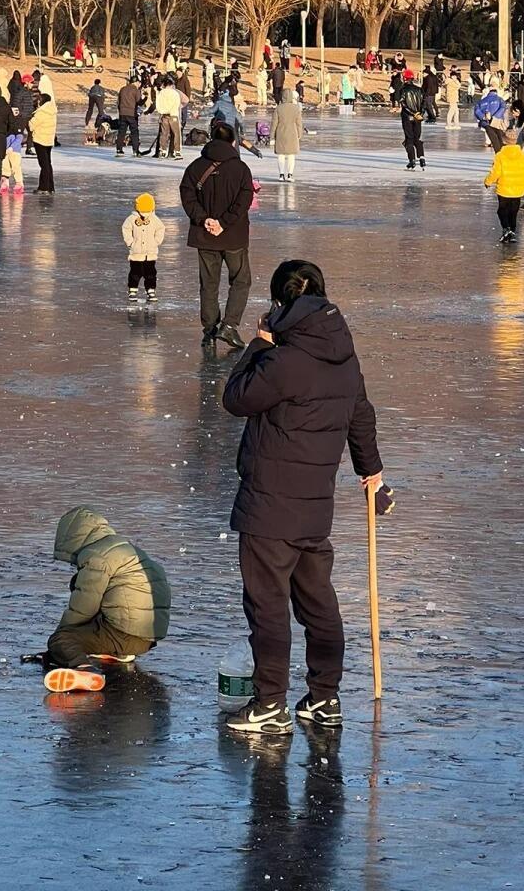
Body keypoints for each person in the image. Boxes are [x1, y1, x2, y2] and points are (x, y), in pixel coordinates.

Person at [222, 258, 391, 735]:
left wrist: (257, 343)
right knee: (317, 601)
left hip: (269, 505)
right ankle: (324, 697)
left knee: (268, 606)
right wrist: (371, 471)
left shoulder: (285, 360)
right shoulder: (344, 353)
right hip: (316, 506)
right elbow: (361, 414)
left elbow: (235, 398)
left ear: (280, 304)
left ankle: (270, 703)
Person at [41, 506, 171, 695]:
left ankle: (85, 670)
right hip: (149, 636)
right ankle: (117, 653)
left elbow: (83, 607)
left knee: (61, 639)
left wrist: (61, 639)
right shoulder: (125, 549)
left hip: (125, 634)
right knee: (87, 595)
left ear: (73, 537)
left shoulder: (97, 556)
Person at [179, 121, 254, 349]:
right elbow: (244, 200)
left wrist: (205, 220)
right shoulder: (241, 169)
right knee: (241, 280)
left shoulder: (195, 167)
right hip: (233, 236)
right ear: (232, 141)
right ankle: (229, 326)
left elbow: (187, 195)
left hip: (205, 236)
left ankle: (210, 330)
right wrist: (224, 223)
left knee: (209, 284)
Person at [484, 129, 524, 244]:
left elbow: (495, 172)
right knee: (513, 212)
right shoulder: (522, 155)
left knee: (502, 211)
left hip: (504, 188)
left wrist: (488, 181)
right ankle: (512, 232)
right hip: (518, 188)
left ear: (504, 140)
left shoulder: (500, 155)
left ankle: (506, 229)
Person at [122, 192, 165, 305]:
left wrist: (156, 242)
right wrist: (130, 243)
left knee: (151, 273)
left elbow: (161, 229)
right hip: (136, 253)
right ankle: (132, 290)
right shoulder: (131, 219)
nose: (144, 214)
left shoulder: (154, 219)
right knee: (135, 273)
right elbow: (126, 229)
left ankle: (151, 290)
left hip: (150, 253)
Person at [271, 88, 303, 182]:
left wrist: (272, 136)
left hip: (280, 133)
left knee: (280, 155)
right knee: (291, 156)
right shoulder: (296, 108)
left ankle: (281, 174)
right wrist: (299, 134)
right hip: (292, 133)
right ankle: (289, 175)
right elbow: (299, 123)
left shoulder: (278, 108)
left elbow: (274, 123)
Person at [30, 92, 57, 194]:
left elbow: (32, 125)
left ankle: (44, 187)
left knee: (44, 164)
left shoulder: (42, 112)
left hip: (40, 139)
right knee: (48, 163)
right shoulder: (52, 111)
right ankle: (50, 186)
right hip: (48, 140)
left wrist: (29, 120)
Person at [399, 73, 426, 170]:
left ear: (405, 79)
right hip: (417, 117)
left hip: (408, 117)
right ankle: (422, 157)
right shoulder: (419, 89)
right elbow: (424, 103)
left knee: (409, 138)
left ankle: (412, 160)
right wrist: (419, 113)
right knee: (417, 138)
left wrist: (412, 113)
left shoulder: (403, 89)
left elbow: (403, 103)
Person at [155, 76, 182, 159]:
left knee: (164, 134)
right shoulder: (175, 93)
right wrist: (173, 112)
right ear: (171, 85)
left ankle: (163, 151)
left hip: (164, 115)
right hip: (173, 115)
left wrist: (161, 112)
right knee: (176, 134)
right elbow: (177, 104)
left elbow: (158, 104)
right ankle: (177, 151)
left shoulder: (161, 93)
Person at [116, 76, 141, 157]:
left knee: (121, 132)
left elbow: (118, 102)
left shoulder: (122, 89)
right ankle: (135, 150)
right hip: (131, 114)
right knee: (134, 132)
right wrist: (146, 97)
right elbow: (139, 102)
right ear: (135, 82)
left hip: (122, 113)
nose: (139, 84)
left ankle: (119, 149)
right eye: (138, 82)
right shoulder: (135, 90)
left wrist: (120, 111)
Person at [1, 130, 25, 195]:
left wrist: (12, 147)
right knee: (4, 166)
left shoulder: (17, 126)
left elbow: (19, 137)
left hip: (15, 150)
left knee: (16, 167)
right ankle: (5, 182)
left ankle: (19, 183)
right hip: (4, 149)